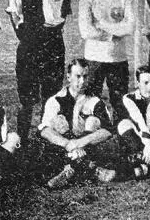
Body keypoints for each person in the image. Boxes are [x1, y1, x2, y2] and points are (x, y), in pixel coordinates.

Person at [6, 0, 72, 145]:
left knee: (51, 98)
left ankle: (47, 142)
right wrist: (26, 37)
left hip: (53, 46)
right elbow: (14, 15)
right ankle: (22, 141)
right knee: (26, 100)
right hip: (29, 47)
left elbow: (63, 16)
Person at [39, 59, 117, 189]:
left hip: (86, 147)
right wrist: (68, 144)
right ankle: (93, 169)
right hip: (63, 147)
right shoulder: (55, 100)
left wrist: (80, 143)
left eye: (85, 77)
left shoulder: (95, 101)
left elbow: (108, 131)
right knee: (59, 121)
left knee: (93, 121)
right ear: (68, 77)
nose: (82, 81)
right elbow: (44, 130)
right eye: (78, 76)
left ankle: (69, 169)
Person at [78, 0, 134, 118]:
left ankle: (122, 134)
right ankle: (91, 135)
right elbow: (86, 31)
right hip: (94, 58)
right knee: (91, 100)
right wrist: (114, 33)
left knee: (120, 101)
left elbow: (130, 27)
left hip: (118, 57)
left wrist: (101, 24)